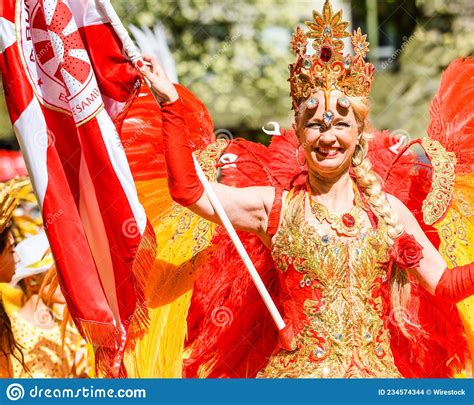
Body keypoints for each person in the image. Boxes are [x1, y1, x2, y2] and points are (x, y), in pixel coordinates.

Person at [134, 0, 474, 378]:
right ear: (298, 133)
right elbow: (190, 192)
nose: (327, 136)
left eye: (340, 124)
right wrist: (171, 104)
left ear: (359, 133)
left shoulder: (388, 211)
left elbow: (446, 283)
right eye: (314, 124)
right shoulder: (274, 207)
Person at [0, 178, 92, 378]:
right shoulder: (15, 331)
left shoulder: (72, 329)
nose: (72, 279)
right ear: (33, 281)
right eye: (58, 273)